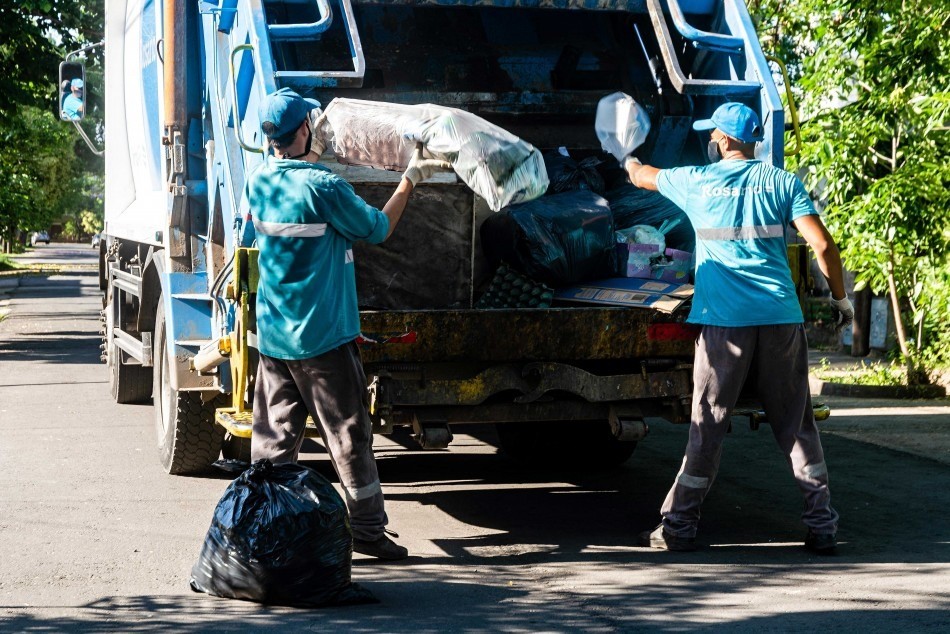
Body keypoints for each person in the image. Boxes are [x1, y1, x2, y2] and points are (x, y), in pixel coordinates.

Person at [623, 102, 854, 555]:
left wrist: (626, 157)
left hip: (725, 324)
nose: (711, 139)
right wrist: (840, 298)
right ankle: (822, 526)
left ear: (724, 140)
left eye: (713, 134)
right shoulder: (783, 182)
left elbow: (642, 176)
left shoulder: (697, 181)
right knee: (796, 425)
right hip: (780, 319)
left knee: (708, 423)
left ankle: (679, 528)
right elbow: (823, 244)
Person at [247, 88, 451, 560]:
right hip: (323, 340)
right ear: (305, 129)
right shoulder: (325, 187)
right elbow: (378, 229)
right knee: (349, 438)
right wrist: (410, 179)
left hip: (276, 337)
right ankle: (367, 531)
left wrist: (310, 151)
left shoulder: (259, 181)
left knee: (275, 443)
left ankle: (262, 523)